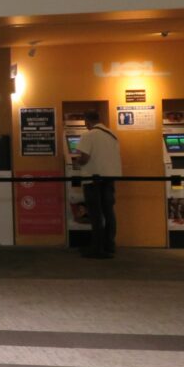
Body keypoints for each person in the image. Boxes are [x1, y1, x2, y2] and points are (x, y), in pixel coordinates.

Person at [72, 109, 121, 258]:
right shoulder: (112, 135)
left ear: (87, 121)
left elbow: (84, 158)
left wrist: (77, 162)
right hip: (109, 178)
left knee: (95, 214)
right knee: (109, 212)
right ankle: (109, 246)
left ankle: (97, 249)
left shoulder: (89, 135)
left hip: (93, 179)